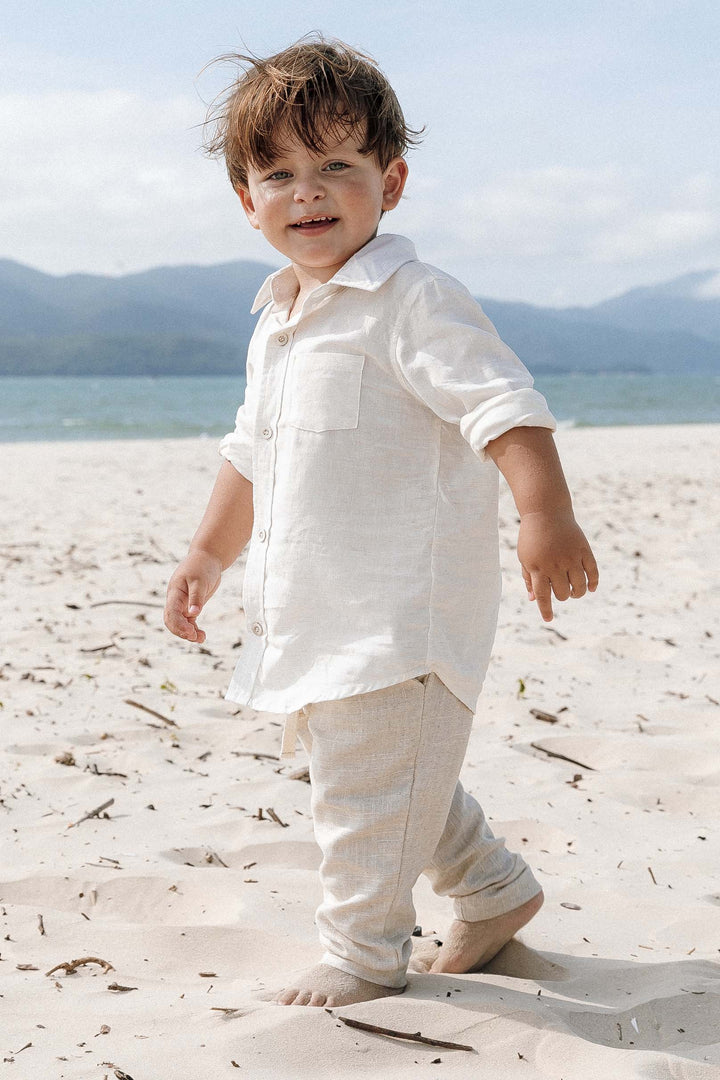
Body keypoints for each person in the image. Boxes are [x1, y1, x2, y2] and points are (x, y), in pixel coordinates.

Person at [164, 36, 599, 1009]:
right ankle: (491, 891)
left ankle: (362, 954)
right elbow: (251, 451)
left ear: (390, 181)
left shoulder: (413, 300)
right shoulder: (277, 318)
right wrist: (206, 554)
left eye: (336, 167)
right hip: (313, 618)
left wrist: (545, 513)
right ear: (247, 200)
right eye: (278, 172)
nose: (306, 192)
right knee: (379, 774)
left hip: (400, 619)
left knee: (361, 796)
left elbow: (505, 405)